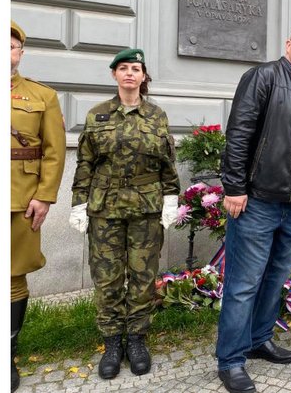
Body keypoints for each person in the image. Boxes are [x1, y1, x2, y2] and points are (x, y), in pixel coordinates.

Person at [216, 24, 291, 393]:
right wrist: (234, 187)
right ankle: (230, 360)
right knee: (243, 285)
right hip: (257, 201)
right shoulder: (263, 76)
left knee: (275, 279)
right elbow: (240, 131)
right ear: (289, 44)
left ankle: (259, 339)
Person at [70, 48, 180, 380]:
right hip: (105, 208)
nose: (130, 73)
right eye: (123, 68)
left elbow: (167, 164)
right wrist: (78, 203)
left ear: (144, 76)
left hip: (146, 209)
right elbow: (85, 163)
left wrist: (171, 198)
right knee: (107, 277)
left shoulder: (156, 116)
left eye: (136, 68)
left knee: (143, 276)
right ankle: (111, 342)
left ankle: (136, 339)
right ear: (115, 75)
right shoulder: (97, 115)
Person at [10, 20, 66, 392]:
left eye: (10, 46)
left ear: (20, 53)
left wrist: (44, 196)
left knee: (12, 276)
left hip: (19, 198)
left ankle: (6, 353)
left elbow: (54, 150)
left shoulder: (41, 96)